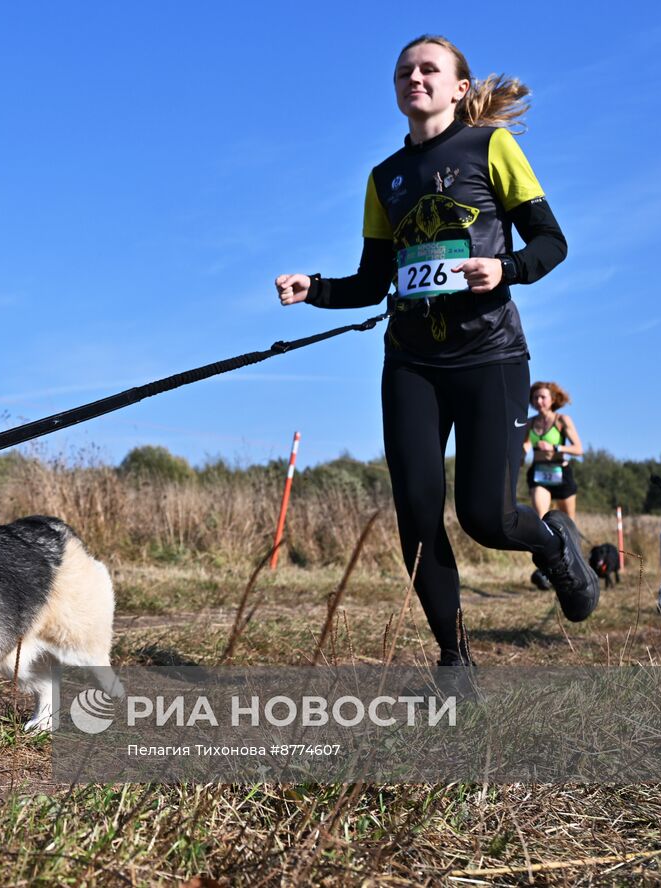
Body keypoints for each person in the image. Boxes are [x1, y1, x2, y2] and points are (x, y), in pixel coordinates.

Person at [274, 35, 599, 668]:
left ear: (457, 87)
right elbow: (373, 283)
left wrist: (504, 268)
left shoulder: (490, 147)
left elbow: (551, 242)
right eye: (404, 71)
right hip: (412, 362)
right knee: (418, 513)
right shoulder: (384, 179)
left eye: (429, 69)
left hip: (491, 357)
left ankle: (556, 547)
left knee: (488, 516)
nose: (414, 77)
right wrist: (314, 289)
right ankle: (454, 661)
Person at [524, 380, 582, 517]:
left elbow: (578, 449)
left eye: (543, 397)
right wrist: (522, 454)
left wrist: (555, 447)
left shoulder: (562, 420)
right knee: (542, 519)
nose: (538, 401)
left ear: (553, 399)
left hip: (560, 473)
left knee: (568, 523)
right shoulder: (529, 423)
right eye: (535, 397)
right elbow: (526, 443)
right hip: (539, 473)